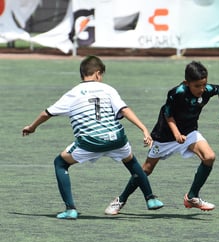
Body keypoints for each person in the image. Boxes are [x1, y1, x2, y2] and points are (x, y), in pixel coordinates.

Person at [22, 55, 163, 220]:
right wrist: (144, 130)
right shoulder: (108, 89)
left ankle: (70, 209)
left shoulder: (73, 93)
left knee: (60, 163)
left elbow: (47, 113)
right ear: (97, 74)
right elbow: (124, 110)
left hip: (90, 141)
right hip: (116, 138)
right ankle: (150, 198)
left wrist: (32, 127)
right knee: (131, 162)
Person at [105, 61, 219, 213]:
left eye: (203, 85)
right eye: (197, 86)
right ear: (186, 83)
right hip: (164, 136)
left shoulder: (208, 89)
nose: (201, 89)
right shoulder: (177, 93)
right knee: (146, 169)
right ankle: (120, 200)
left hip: (189, 133)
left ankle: (192, 197)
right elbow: (168, 114)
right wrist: (176, 133)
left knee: (209, 157)